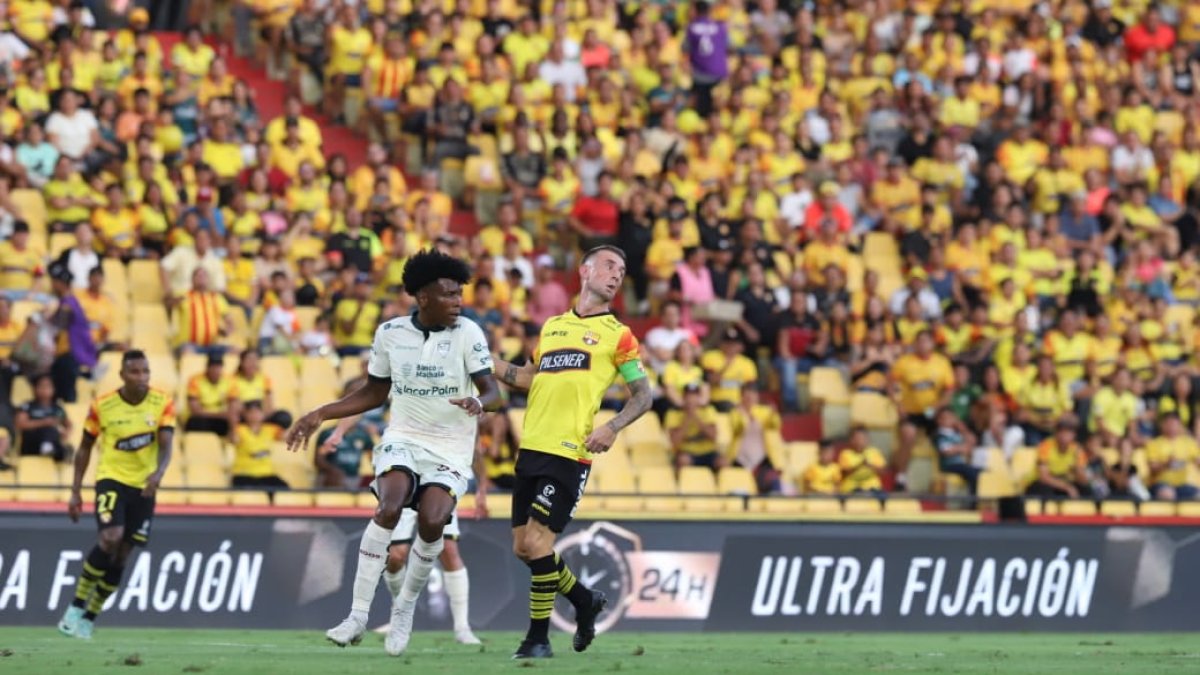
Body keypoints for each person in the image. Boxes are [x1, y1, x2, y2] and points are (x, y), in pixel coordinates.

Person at [285, 249, 501, 656]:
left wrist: (480, 402)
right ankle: (357, 616)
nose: (458, 301)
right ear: (423, 297)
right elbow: (373, 392)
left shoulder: (469, 333)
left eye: (460, 294)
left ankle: (403, 610)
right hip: (403, 436)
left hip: (451, 447)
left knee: (434, 521)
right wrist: (321, 413)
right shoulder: (390, 333)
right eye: (449, 294)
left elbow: (492, 390)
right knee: (389, 506)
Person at [491, 245, 653, 659]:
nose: (617, 274)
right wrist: (488, 362)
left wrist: (613, 427)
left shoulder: (619, 335)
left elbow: (643, 395)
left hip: (569, 451)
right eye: (609, 265)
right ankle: (583, 599)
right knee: (523, 548)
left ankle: (537, 640)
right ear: (584, 271)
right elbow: (530, 377)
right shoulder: (552, 327)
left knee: (538, 541)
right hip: (531, 447)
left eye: (622, 269)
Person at [58, 350, 175, 639]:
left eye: (145, 371)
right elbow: (84, 447)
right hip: (111, 479)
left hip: (144, 486)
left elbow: (166, 444)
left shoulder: (162, 402)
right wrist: (75, 491)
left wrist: (158, 474)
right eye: (135, 372)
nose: (142, 377)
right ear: (123, 375)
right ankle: (74, 606)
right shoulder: (103, 405)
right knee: (110, 538)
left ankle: (89, 617)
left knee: (123, 555)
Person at [15, 374, 70, 460]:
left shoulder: (57, 408)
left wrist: (66, 432)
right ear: (34, 388)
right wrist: (44, 422)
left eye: (48, 386)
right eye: (41, 386)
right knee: (48, 429)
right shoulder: (28, 406)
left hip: (53, 440)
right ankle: (47, 446)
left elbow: (68, 424)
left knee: (54, 433)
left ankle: (50, 447)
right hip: (31, 444)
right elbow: (20, 424)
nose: (44, 389)